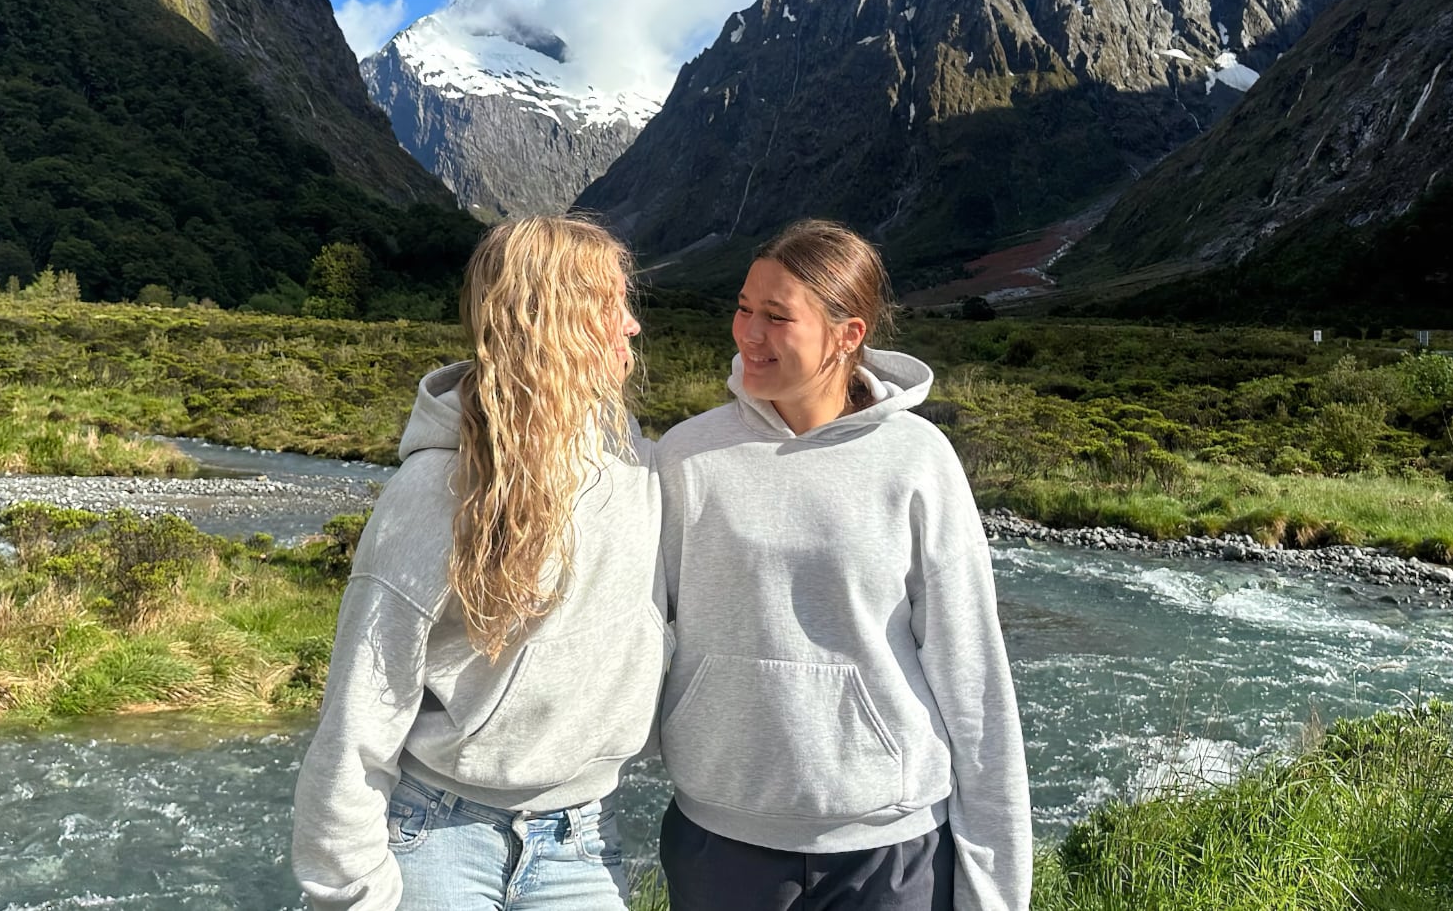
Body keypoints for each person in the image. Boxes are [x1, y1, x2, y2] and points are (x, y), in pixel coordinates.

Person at [654, 220, 1030, 911]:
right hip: (720, 843)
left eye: (776, 316)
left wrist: (997, 891)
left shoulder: (917, 460)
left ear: (848, 335)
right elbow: (632, 637)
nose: (748, 334)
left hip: (891, 852)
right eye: (743, 307)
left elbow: (972, 675)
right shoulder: (684, 458)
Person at [292, 216, 664, 911]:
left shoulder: (641, 468)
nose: (631, 327)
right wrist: (352, 893)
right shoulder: (433, 495)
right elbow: (358, 716)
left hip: (585, 842)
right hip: (437, 838)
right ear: (559, 321)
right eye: (614, 305)